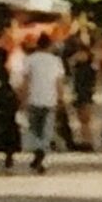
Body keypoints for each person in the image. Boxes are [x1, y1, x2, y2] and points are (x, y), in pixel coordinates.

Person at [22, 35, 66, 174]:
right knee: (47, 129)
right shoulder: (56, 61)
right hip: (50, 99)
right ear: (50, 45)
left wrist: (23, 99)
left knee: (35, 129)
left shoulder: (29, 59)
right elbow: (58, 82)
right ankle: (42, 154)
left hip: (33, 99)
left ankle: (37, 152)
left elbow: (26, 81)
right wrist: (61, 98)